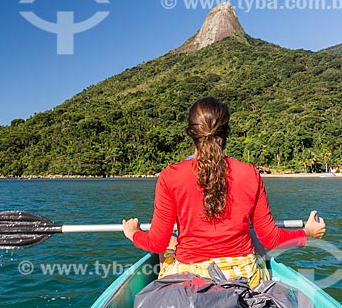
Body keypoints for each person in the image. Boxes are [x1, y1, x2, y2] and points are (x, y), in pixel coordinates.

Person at [123, 97, 326, 288]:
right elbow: (270, 239)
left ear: (190, 133)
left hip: (192, 279)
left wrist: (133, 233)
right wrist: (307, 233)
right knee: (253, 237)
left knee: (168, 243)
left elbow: (156, 243)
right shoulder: (249, 173)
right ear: (226, 132)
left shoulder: (170, 176)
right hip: (244, 277)